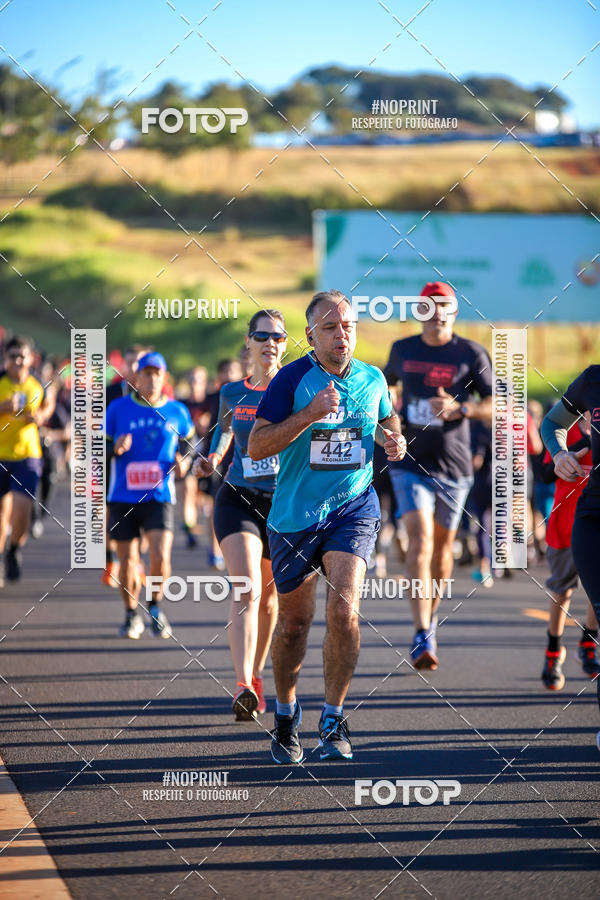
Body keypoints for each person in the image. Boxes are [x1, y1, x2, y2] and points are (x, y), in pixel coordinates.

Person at [248, 290, 406, 764]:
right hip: (295, 516)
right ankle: (285, 715)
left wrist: (391, 439)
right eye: (331, 328)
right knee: (294, 624)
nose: (342, 336)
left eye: (349, 327)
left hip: (353, 508)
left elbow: (384, 417)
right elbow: (257, 447)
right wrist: (309, 415)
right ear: (310, 335)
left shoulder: (372, 378)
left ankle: (334, 716)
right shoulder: (292, 380)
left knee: (344, 613)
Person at [383, 281, 493, 670]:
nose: (437, 313)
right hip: (409, 461)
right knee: (421, 539)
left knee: (443, 549)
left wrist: (460, 409)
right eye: (430, 306)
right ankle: (421, 629)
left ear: (454, 311)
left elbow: (498, 404)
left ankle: (432, 618)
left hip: (454, 465)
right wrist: (390, 420)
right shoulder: (402, 349)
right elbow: (386, 389)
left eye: (444, 306)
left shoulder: (470, 353)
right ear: (420, 311)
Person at [195, 311, 287, 721]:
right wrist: (212, 456)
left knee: (270, 600)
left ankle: (257, 673)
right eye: (262, 335)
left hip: (284, 504)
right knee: (247, 588)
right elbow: (225, 429)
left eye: (278, 336)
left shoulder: (298, 388)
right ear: (248, 342)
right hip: (237, 497)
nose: (270, 342)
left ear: (286, 343)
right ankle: (242, 684)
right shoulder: (233, 391)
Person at [106, 352, 194, 639]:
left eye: (158, 374)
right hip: (123, 496)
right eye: (147, 373)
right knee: (128, 560)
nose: (152, 379)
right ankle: (131, 614)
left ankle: (154, 607)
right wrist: (113, 448)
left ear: (164, 378)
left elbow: (189, 448)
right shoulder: (118, 409)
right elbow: (95, 451)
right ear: (137, 377)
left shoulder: (178, 411)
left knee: (160, 555)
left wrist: (185, 463)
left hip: (160, 495)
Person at [541, 366, 600, 750]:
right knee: (564, 590)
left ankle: (587, 640)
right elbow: (550, 428)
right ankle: (555, 648)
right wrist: (562, 456)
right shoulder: (592, 380)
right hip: (581, 518)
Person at [0, 336, 49, 585]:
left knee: (21, 511)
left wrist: (39, 418)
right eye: (13, 356)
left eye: (22, 356)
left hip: (27, 456)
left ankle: (14, 549)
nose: (18, 361)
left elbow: (47, 408)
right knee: (1, 512)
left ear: (30, 359)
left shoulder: (38, 384)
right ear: (5, 359)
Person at [181, 366, 211, 549]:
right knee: (188, 489)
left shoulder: (211, 402)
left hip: (208, 454)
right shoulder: (182, 404)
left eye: (199, 380)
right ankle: (189, 529)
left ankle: (210, 536)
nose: (195, 384)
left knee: (206, 499)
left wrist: (206, 427)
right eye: (192, 380)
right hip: (188, 453)